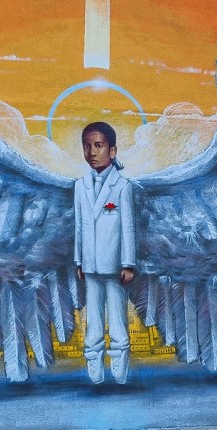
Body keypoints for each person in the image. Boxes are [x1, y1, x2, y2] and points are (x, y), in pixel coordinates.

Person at [74, 122, 136, 384]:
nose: (92, 152)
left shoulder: (122, 186)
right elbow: (78, 225)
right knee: (94, 320)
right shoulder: (80, 186)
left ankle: (120, 368)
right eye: (87, 146)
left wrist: (128, 263)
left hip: (114, 265)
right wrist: (78, 259)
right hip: (89, 263)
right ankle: (94, 366)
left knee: (118, 319)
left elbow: (128, 227)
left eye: (98, 145)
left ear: (112, 150)